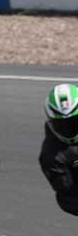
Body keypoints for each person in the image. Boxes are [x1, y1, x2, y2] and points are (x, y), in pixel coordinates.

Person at [39, 83, 78, 215]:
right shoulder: (51, 156)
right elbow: (67, 193)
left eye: (74, 122)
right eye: (61, 125)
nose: (69, 129)